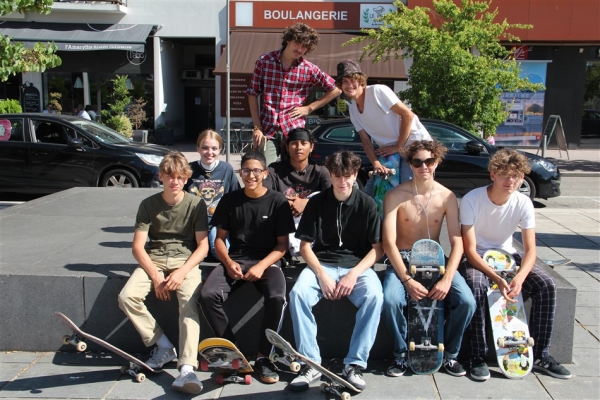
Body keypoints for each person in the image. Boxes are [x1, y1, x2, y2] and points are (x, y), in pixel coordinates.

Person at [459, 149, 572, 381]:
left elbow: (530, 251)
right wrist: (499, 279)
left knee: (547, 285)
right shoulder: (472, 199)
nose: (510, 180)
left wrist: (518, 277)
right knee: (477, 286)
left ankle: (541, 354)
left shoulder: (523, 202)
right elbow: (469, 250)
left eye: (516, 176)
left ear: (522, 177)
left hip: (508, 255)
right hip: (477, 257)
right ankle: (477, 356)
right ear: (493, 175)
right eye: (505, 175)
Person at [288, 151, 383, 392]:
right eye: (338, 176)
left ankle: (354, 364)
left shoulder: (367, 204)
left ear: (355, 175)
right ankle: (309, 362)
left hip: (357, 267)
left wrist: (353, 274)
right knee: (298, 294)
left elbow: (377, 250)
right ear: (330, 175)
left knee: (375, 296)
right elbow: (304, 247)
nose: (343, 181)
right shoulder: (317, 203)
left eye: (348, 176)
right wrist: (321, 274)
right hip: (322, 264)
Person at [198, 151, 296, 384]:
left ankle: (264, 358)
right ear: (240, 173)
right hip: (236, 260)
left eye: (255, 171)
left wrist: (262, 266)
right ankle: (233, 354)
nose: (250, 175)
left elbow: (282, 246)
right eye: (245, 170)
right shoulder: (230, 200)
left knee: (277, 297)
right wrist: (228, 262)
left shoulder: (277, 201)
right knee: (207, 295)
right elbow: (219, 239)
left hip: (268, 262)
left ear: (264, 173)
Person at [381, 140, 476, 377]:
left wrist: (447, 279)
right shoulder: (395, 195)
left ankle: (450, 355)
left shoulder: (447, 197)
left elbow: (457, 243)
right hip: (403, 259)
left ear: (437, 162)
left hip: (436, 260)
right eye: (417, 162)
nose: (424, 166)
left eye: (429, 161)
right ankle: (401, 354)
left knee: (467, 302)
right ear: (410, 164)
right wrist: (406, 280)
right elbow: (388, 243)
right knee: (391, 300)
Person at [117, 152, 208, 394]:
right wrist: (156, 276)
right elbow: (137, 247)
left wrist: (181, 273)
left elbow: (203, 247)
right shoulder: (148, 205)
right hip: (154, 259)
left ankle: (187, 366)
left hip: (185, 261)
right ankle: (164, 345)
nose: (174, 181)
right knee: (127, 297)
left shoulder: (196, 204)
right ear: (161, 177)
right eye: (169, 176)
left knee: (189, 304)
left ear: (186, 179)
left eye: (179, 177)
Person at [336, 59, 432, 213]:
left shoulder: (378, 91)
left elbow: (408, 115)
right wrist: (375, 164)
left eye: (353, 79)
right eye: (344, 81)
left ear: (361, 80)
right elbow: (365, 141)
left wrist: (398, 146)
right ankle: (378, 233)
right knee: (374, 193)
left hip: (416, 145)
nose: (349, 85)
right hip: (391, 152)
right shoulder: (353, 110)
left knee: (407, 193)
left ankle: (411, 232)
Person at [247, 22, 342, 168]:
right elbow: (252, 93)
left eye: (304, 47)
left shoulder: (308, 69)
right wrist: (257, 127)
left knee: (293, 173)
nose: (299, 49)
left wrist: (310, 108)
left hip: (294, 129)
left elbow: (336, 89)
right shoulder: (264, 61)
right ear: (288, 40)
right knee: (265, 172)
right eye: (297, 43)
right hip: (268, 128)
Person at [262, 128, 331, 255]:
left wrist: (307, 204)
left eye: (303, 143)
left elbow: (331, 196)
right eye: (294, 143)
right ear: (287, 147)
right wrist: (286, 204)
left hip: (311, 220)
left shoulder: (321, 170)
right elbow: (264, 194)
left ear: (311, 147)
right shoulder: (274, 169)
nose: (298, 147)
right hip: (284, 219)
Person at [185, 129, 240, 258]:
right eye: (205, 148)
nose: (210, 152)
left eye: (214, 148)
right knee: (195, 255)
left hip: (218, 223)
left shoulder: (226, 169)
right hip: (195, 223)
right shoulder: (189, 169)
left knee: (219, 252)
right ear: (198, 148)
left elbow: (236, 196)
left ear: (220, 149)